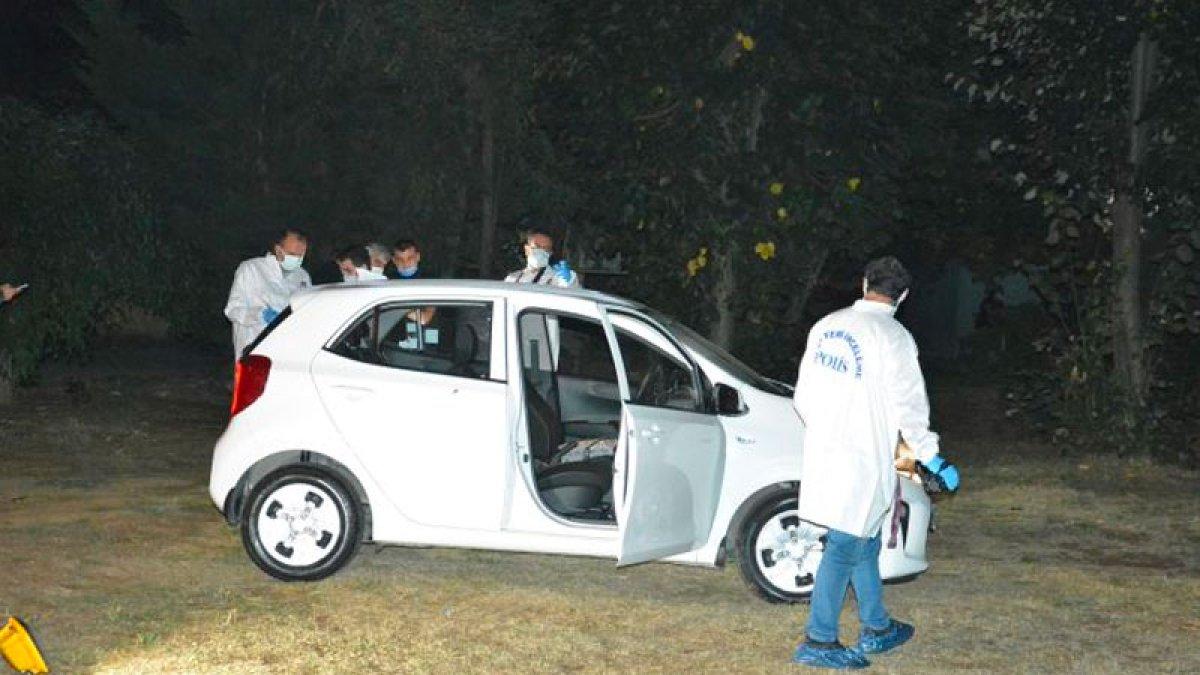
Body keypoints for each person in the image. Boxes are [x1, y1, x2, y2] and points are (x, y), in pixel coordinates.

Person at [790, 256, 960, 670]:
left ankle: (877, 628)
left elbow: (802, 396)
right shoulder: (894, 336)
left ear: (864, 283)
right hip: (862, 458)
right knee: (845, 545)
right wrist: (930, 455)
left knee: (864, 538)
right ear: (903, 296)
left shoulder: (826, 325)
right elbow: (909, 405)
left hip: (824, 450)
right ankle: (819, 640)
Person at [224, 229, 312, 361]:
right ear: (278, 249)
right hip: (255, 348)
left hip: (289, 350)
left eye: (301, 256)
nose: (297, 260)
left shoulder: (302, 276)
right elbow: (233, 310)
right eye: (293, 254)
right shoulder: (251, 269)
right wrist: (260, 314)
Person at [503, 231, 580, 288]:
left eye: (546, 248)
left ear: (550, 253)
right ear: (527, 249)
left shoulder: (558, 277)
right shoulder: (512, 278)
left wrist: (569, 283)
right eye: (537, 246)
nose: (541, 251)